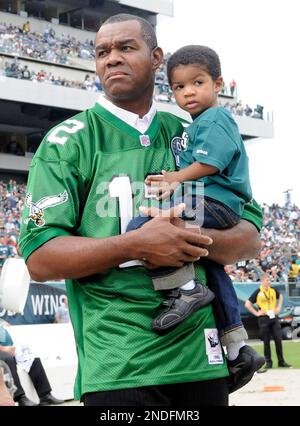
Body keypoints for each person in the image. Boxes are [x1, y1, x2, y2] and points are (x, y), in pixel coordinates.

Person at [19, 14, 262, 406]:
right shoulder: (65, 143)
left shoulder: (192, 133)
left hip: (201, 358)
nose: (112, 58)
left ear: (156, 58)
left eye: (125, 48)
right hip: (119, 361)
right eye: (102, 52)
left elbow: (249, 239)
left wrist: (184, 240)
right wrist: (137, 244)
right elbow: (40, 259)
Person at [126, 45, 264, 374]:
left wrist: (174, 179)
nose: (188, 92)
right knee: (210, 264)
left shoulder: (215, 117)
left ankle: (186, 290)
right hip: (209, 200)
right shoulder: (198, 122)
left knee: (141, 227)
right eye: (179, 86)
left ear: (218, 84)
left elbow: (210, 163)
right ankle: (235, 344)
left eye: (197, 83)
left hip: (214, 201)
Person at [0, 322, 64, 406]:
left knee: (33, 358)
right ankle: (21, 398)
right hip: (3, 351)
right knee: (9, 359)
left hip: (8, 348)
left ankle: (45, 396)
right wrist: (4, 349)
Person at [245, 273, 292, 370]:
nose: (269, 282)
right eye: (267, 280)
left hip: (274, 317)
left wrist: (278, 307)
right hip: (263, 319)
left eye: (269, 280)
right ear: (262, 281)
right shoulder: (258, 292)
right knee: (266, 341)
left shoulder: (273, 290)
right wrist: (256, 313)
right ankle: (268, 362)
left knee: (278, 339)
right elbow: (247, 304)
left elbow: (281, 297)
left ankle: (281, 361)